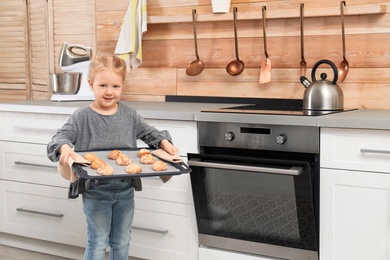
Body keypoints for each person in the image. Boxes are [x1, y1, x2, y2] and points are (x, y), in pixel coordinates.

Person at [47, 54, 178, 260]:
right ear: (91, 84)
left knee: (122, 239)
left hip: (125, 188)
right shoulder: (82, 117)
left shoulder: (129, 115)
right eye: (103, 85)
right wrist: (64, 148)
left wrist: (164, 143)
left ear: (122, 85)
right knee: (98, 240)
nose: (109, 92)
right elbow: (61, 137)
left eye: (115, 86)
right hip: (95, 190)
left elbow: (150, 133)